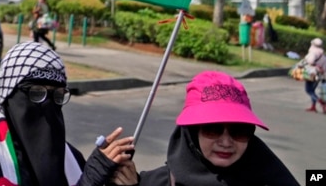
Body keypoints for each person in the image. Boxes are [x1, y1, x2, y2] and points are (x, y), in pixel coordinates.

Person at [0, 42, 133, 186]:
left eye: (58, 95)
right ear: (8, 94)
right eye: (37, 93)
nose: (47, 104)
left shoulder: (71, 157)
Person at [110, 71, 299, 186]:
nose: (226, 142)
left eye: (239, 131)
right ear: (192, 133)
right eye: (212, 129)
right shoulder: (150, 183)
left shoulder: (271, 180)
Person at [301, 37, 326, 113]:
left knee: (308, 90)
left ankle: (321, 102)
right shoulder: (322, 54)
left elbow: (310, 61)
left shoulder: (313, 52)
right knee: (313, 90)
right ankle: (313, 106)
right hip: (319, 74)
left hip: (311, 73)